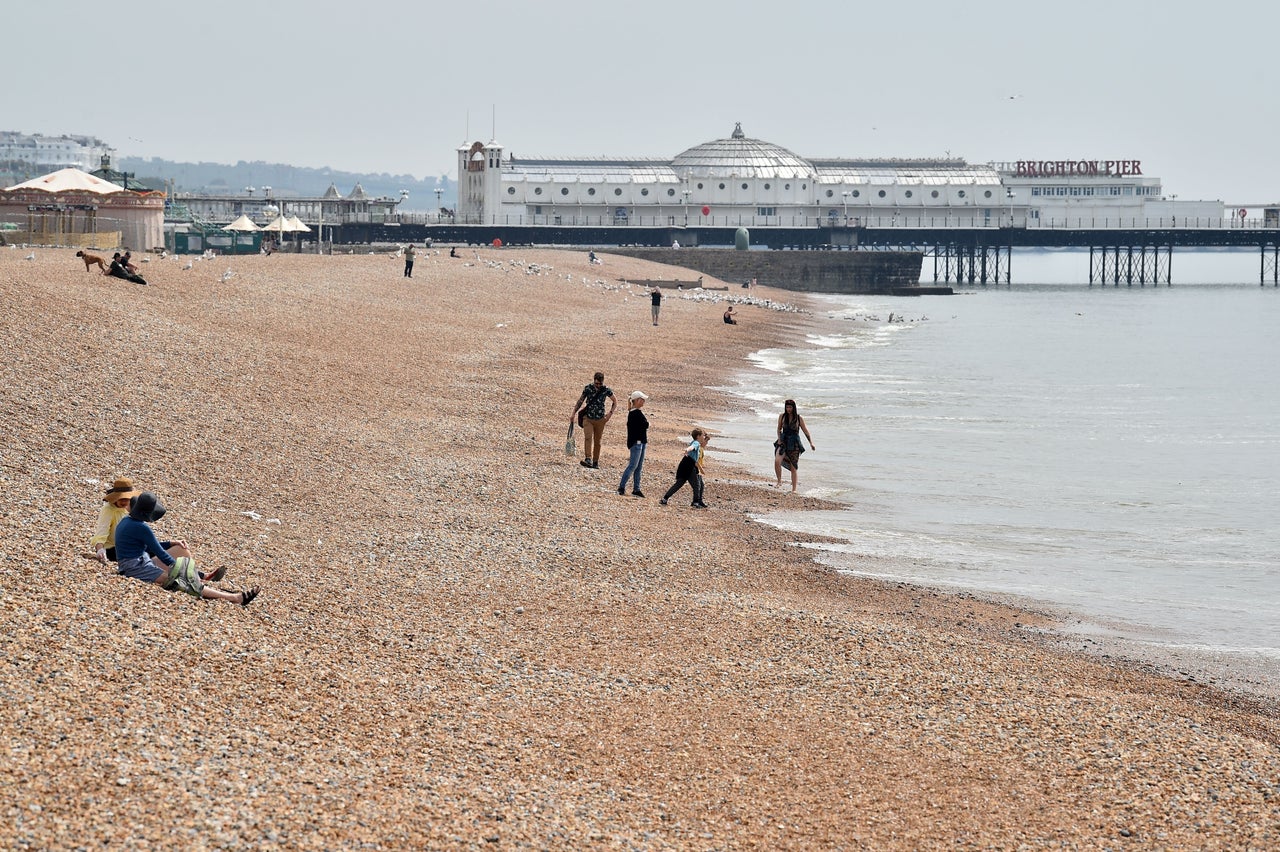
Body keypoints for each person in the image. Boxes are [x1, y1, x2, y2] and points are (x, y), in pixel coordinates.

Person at [114, 491, 258, 605]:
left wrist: (172, 543)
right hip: (134, 568)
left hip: (139, 561)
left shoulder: (127, 521)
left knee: (181, 553)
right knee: (182, 582)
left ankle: (200, 580)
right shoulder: (142, 528)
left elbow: (150, 545)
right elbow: (159, 552)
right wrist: (179, 569)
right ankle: (234, 597)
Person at [570, 372, 616, 468]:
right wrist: (573, 413)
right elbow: (580, 401)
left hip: (600, 419)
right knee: (588, 437)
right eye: (596, 384)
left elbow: (615, 401)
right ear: (593, 380)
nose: (598, 386)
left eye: (600, 384)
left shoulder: (606, 390)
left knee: (597, 441)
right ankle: (588, 458)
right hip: (588, 418)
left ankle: (595, 461)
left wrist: (609, 414)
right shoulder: (588, 388)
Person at [773, 399, 816, 492]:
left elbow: (805, 431)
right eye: (787, 407)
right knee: (777, 461)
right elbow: (778, 429)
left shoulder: (799, 418)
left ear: (794, 407)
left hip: (794, 443)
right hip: (783, 441)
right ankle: (779, 481)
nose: (788, 409)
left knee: (794, 466)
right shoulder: (782, 416)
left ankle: (794, 489)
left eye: (790, 407)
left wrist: (811, 443)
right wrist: (779, 439)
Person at [660, 428, 708, 508]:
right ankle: (695, 502)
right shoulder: (696, 443)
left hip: (684, 465)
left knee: (679, 484)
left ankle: (665, 499)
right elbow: (691, 447)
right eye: (703, 435)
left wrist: (700, 469)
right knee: (697, 485)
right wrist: (687, 450)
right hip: (689, 466)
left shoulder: (696, 443)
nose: (704, 437)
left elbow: (694, 459)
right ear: (698, 436)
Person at [617, 391, 649, 497]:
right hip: (637, 443)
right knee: (633, 466)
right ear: (637, 400)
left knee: (638, 467)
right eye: (642, 399)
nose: (643, 401)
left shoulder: (635, 412)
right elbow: (645, 425)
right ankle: (621, 487)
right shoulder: (635, 414)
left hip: (641, 442)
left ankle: (636, 489)